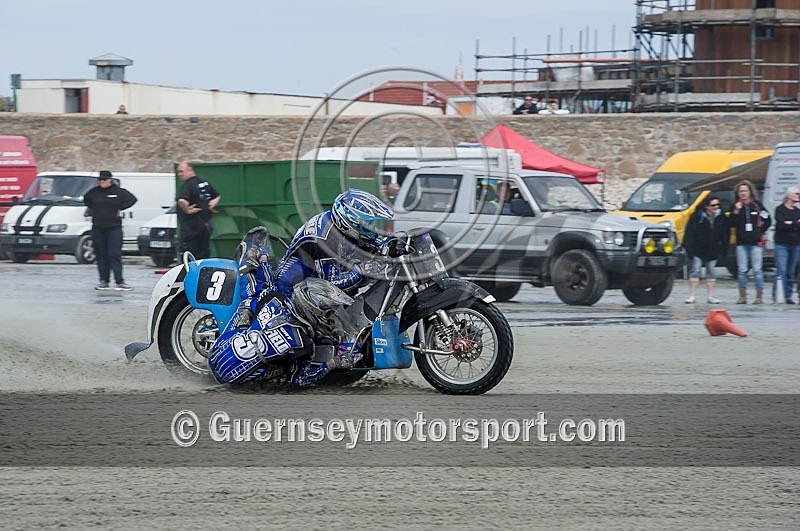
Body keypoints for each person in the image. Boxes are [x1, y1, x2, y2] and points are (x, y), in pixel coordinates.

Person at [275, 189, 394, 386]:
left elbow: (369, 246)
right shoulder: (325, 240)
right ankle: (337, 351)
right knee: (349, 330)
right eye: (366, 225)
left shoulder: (339, 227)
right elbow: (332, 287)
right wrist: (361, 271)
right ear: (350, 222)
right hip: (294, 292)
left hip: (316, 281)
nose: (371, 229)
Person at [83, 170, 137, 291]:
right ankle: (104, 281)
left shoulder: (118, 192)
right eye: (100, 180)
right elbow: (87, 200)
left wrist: (120, 208)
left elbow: (132, 199)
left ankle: (120, 281)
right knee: (101, 255)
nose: (102, 182)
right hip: (98, 228)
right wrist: (95, 210)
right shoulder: (94, 192)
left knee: (114, 254)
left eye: (104, 180)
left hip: (114, 228)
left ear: (110, 180)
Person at [727, 179, 771, 304]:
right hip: (741, 243)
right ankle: (742, 296)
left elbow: (768, 219)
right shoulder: (734, 206)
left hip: (756, 243)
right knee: (742, 270)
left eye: (745, 191)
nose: (743, 193)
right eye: (741, 191)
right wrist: (736, 211)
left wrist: (760, 231)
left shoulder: (757, 205)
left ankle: (759, 297)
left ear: (750, 192)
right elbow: (730, 224)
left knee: (757, 270)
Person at [683, 194, 728, 304]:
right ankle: (692, 295)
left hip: (713, 248)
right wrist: (689, 248)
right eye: (713, 205)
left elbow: (725, 234)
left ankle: (710, 296)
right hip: (698, 248)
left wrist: (724, 248)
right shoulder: (697, 217)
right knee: (695, 271)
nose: (716, 207)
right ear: (706, 206)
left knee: (711, 272)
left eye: (717, 205)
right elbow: (689, 233)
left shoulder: (721, 217)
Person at [176, 161, 221, 259]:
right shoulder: (204, 183)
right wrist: (210, 205)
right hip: (206, 226)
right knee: (203, 255)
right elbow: (217, 196)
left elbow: (182, 200)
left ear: (189, 170)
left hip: (191, 228)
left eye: (181, 171)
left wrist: (187, 210)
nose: (179, 174)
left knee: (189, 257)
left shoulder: (187, 185)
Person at [772, 186, 800, 304]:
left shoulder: (797, 211)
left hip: (796, 244)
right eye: (797, 193)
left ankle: (788, 296)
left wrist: (790, 223)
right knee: (781, 270)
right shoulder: (780, 209)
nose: (799, 196)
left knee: (791, 271)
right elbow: (781, 225)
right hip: (782, 243)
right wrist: (795, 224)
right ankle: (777, 294)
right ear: (789, 195)